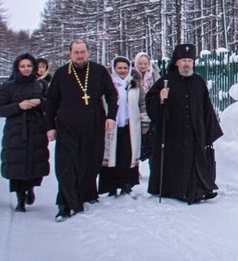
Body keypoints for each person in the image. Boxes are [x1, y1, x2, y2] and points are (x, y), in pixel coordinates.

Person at [45, 39, 118, 222]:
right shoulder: (62, 74)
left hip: (94, 126)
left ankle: (84, 194)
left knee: (90, 164)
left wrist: (111, 116)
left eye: (82, 52)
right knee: (67, 166)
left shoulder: (99, 71)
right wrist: (49, 127)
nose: (80, 56)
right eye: (76, 52)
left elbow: (111, 94)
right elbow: (51, 101)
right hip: (67, 127)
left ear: (88, 52)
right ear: (70, 54)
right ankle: (64, 205)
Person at [146, 43, 222, 204]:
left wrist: (209, 133)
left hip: (195, 132)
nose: (186, 63)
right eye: (183, 60)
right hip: (173, 133)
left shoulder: (199, 82)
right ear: (177, 62)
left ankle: (199, 190)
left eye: (189, 60)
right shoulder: (166, 81)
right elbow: (150, 102)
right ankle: (175, 190)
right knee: (176, 163)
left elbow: (206, 108)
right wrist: (160, 97)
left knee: (196, 163)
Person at [0, 53, 50, 213]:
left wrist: (40, 102)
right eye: (23, 66)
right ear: (17, 68)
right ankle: (20, 198)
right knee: (17, 163)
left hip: (36, 128)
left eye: (29, 66)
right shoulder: (9, 86)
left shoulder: (41, 85)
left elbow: (51, 103)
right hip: (16, 131)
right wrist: (18, 106)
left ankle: (30, 188)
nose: (26, 69)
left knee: (35, 161)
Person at [98, 56, 144, 197]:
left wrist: (144, 121)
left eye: (125, 68)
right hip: (111, 125)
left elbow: (142, 103)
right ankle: (111, 186)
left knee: (127, 155)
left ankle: (126, 185)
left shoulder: (134, 84)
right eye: (119, 68)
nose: (122, 70)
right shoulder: (108, 84)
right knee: (112, 155)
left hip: (130, 125)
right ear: (114, 69)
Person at [133, 52, 156, 161]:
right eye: (140, 64)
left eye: (145, 63)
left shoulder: (154, 75)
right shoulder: (132, 75)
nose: (143, 66)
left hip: (151, 111)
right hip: (135, 112)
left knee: (151, 143)